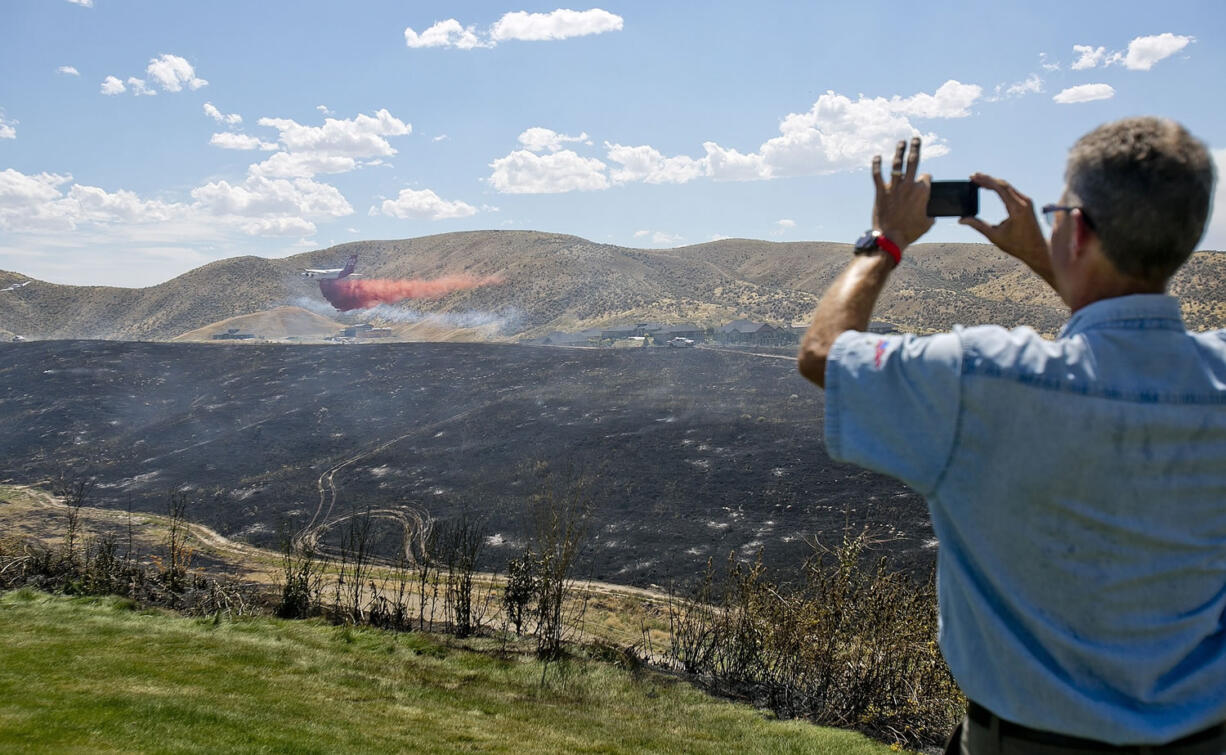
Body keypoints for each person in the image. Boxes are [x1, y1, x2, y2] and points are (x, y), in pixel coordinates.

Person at [796, 117, 1225, 753]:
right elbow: (1126, 353)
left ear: (1075, 229)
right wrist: (1049, 258)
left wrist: (884, 241)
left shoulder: (983, 376)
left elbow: (825, 353)